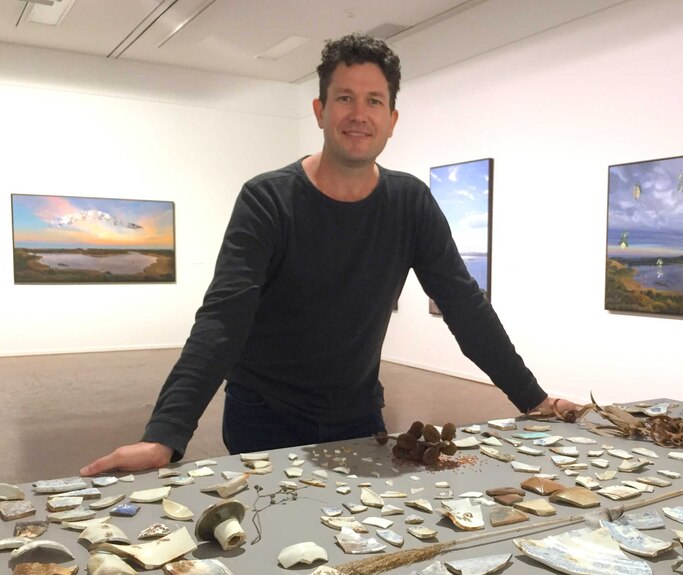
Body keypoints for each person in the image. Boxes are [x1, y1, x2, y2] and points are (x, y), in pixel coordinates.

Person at [81, 33, 579, 476]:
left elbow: (465, 307)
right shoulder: (268, 199)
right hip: (263, 416)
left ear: (392, 120)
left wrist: (533, 400)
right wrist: (164, 435)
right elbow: (222, 319)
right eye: (344, 98)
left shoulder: (411, 203)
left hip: (358, 414)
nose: (358, 114)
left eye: (373, 101)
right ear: (320, 111)